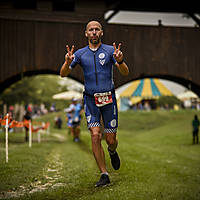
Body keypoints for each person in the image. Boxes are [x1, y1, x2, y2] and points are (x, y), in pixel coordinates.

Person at [60, 20, 129, 187]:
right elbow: (63, 74)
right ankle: (104, 174)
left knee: (110, 139)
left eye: (97, 29)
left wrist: (120, 61)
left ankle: (112, 152)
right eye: (91, 30)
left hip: (109, 100)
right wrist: (68, 62)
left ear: (101, 32)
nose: (94, 32)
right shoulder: (80, 54)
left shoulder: (111, 51)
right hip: (90, 99)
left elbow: (125, 72)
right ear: (86, 33)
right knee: (95, 134)